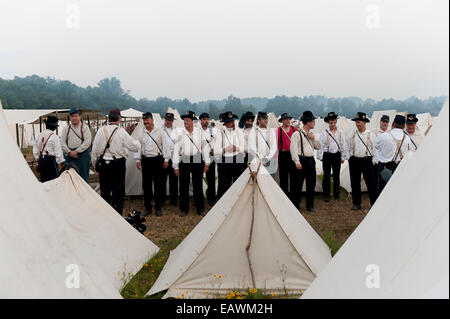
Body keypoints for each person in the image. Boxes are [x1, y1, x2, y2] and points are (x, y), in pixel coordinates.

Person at [91, 108, 140, 215]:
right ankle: (117, 215)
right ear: (119, 119)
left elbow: (94, 151)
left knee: (105, 192)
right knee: (118, 192)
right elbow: (134, 147)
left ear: (109, 118)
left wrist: (95, 165)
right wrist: (139, 142)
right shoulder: (121, 132)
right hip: (117, 164)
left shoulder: (100, 131)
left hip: (104, 165)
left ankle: (106, 215)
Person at [173, 110, 210, 217]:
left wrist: (207, 162)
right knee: (183, 185)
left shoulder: (199, 133)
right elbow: (176, 150)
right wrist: (175, 166)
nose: (185, 122)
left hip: (197, 159)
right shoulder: (180, 133)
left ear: (192, 121)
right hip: (184, 159)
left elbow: (205, 148)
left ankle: (200, 209)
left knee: (198, 185)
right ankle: (184, 209)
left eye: (188, 120)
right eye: (184, 120)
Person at [135, 112, 167, 216]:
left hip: (157, 160)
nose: (146, 121)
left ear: (152, 120)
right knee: (146, 185)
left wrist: (166, 159)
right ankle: (148, 207)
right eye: (144, 120)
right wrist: (137, 160)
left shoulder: (160, 131)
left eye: (148, 119)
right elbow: (138, 147)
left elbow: (165, 145)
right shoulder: (141, 132)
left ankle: (158, 207)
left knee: (158, 185)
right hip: (146, 161)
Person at [290, 111, 321, 212]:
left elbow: (318, 147)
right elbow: (293, 149)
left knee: (311, 184)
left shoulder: (312, 134)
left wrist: (314, 138)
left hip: (311, 160)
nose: (314, 123)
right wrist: (297, 162)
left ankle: (310, 205)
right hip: (301, 160)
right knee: (297, 184)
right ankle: (296, 204)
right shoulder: (296, 134)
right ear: (308, 122)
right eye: (313, 121)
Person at [346, 112, 378, 210]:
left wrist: (374, 160)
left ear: (364, 122)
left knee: (371, 183)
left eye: (359, 122)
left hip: (367, 160)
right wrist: (350, 157)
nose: (357, 124)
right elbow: (348, 147)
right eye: (356, 122)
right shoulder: (352, 134)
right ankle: (356, 203)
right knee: (355, 183)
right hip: (355, 160)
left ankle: (374, 204)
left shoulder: (371, 134)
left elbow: (375, 149)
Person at [374, 115, 412, 195]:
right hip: (400, 167)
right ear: (404, 126)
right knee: (398, 190)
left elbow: (376, 146)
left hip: (385, 167)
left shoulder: (383, 136)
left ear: (393, 124)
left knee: (382, 191)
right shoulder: (407, 138)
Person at [212, 111, 245, 199]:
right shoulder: (220, 133)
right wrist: (225, 149)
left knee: (238, 184)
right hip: (225, 160)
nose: (232, 123)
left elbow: (244, 148)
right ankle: (222, 205)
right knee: (223, 185)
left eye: (233, 121)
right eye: (230, 121)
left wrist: (236, 148)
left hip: (238, 159)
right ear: (225, 123)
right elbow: (215, 151)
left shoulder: (239, 132)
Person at [317, 112, 347, 202]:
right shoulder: (324, 132)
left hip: (337, 155)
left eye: (334, 122)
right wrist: (320, 156)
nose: (333, 124)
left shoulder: (341, 132)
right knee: (326, 175)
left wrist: (343, 156)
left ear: (336, 121)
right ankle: (326, 195)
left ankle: (336, 194)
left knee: (336, 175)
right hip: (327, 155)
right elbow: (320, 145)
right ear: (328, 123)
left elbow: (343, 145)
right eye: (331, 122)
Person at [60, 108, 92, 183]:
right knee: (69, 178)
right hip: (69, 156)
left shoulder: (85, 127)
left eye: (76, 116)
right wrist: (69, 152)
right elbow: (62, 142)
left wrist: (77, 151)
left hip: (82, 155)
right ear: (70, 118)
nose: (74, 118)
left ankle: (84, 194)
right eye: (72, 116)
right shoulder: (66, 129)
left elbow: (88, 141)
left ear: (80, 117)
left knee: (83, 178)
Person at [33, 115, 65, 182]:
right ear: (54, 127)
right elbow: (58, 152)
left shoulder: (39, 135)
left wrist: (37, 158)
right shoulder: (55, 137)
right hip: (51, 161)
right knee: (53, 181)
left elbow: (35, 149)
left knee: (43, 181)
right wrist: (61, 161)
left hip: (41, 160)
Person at [276, 112, 297, 202]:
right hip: (283, 155)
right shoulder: (278, 130)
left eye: (288, 119)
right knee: (283, 177)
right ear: (282, 121)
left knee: (294, 177)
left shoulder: (294, 129)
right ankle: (284, 198)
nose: (288, 120)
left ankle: (293, 197)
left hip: (293, 154)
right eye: (286, 119)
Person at [199, 112, 219, 206]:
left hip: (210, 158)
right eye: (204, 119)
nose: (206, 121)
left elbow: (218, 142)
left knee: (211, 180)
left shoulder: (213, 131)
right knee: (198, 179)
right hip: (199, 158)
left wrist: (215, 149)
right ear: (200, 121)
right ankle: (198, 199)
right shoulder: (197, 131)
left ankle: (211, 199)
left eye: (207, 119)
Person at [161, 112, 180, 206]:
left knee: (174, 179)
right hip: (163, 156)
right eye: (167, 120)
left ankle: (174, 200)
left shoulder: (176, 130)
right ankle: (162, 199)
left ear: (173, 121)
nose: (169, 121)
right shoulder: (160, 130)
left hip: (173, 155)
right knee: (162, 179)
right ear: (165, 119)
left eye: (170, 120)